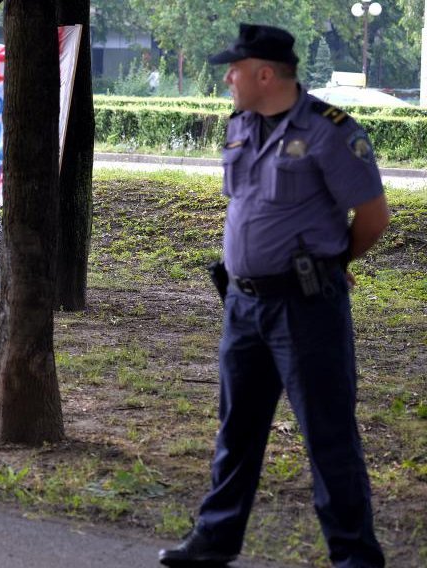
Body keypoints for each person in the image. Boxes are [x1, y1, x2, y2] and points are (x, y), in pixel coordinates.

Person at [158, 24, 389, 568]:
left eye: (234, 70)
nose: (228, 79)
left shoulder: (330, 131)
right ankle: (214, 540)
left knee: (327, 432)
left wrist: (332, 265)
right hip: (242, 305)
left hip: (306, 307)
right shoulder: (240, 126)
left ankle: (355, 555)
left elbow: (373, 218)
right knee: (236, 427)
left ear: (265, 74)